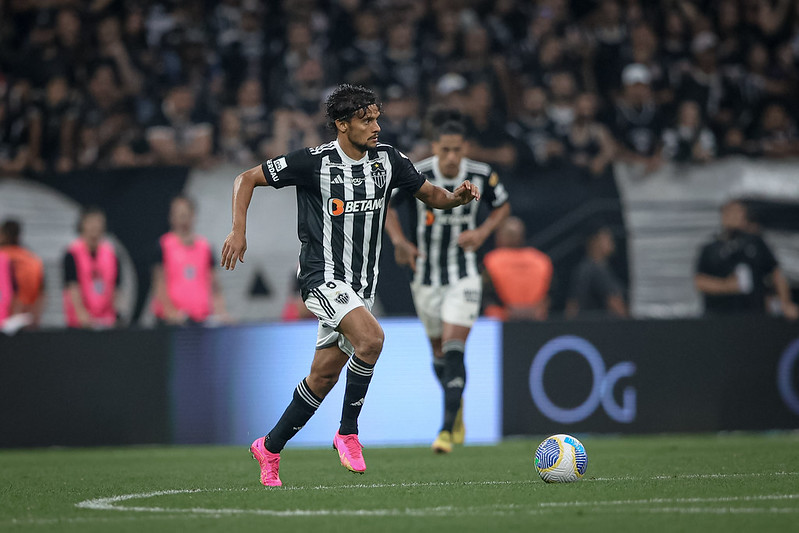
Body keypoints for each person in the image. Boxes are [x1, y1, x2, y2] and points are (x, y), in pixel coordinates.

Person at [220, 84, 480, 487]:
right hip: (321, 278)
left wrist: (457, 198)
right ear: (342, 125)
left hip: (361, 288)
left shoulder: (388, 160)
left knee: (322, 378)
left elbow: (431, 194)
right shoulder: (313, 162)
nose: (376, 127)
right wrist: (239, 230)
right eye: (366, 120)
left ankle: (268, 448)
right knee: (372, 339)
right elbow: (246, 178)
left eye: (377, 118)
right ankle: (348, 432)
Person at [384, 119, 509, 454]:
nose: (452, 157)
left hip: (464, 274)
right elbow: (388, 208)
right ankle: (457, 405)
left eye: (457, 149)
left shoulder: (481, 174)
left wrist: (482, 233)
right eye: (445, 150)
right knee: (439, 355)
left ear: (465, 148)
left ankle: (445, 429)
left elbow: (503, 205)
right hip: (425, 277)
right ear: (435, 148)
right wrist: (399, 241)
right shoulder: (417, 173)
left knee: (454, 349)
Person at [694, 200, 798, 319]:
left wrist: (785, 303)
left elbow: (776, 273)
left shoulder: (756, 243)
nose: (734, 216)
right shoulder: (711, 249)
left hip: (754, 315)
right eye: (730, 212)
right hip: (719, 316)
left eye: (738, 212)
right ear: (723, 216)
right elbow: (700, 281)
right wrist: (726, 286)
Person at [151, 196, 229, 326]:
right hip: (171, 323)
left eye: (186, 214)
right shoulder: (163, 245)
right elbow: (159, 283)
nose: (183, 219)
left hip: (201, 320)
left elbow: (215, 286)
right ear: (171, 217)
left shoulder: (205, 247)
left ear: (193, 216)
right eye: (179, 214)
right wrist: (171, 313)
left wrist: (221, 312)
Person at [483, 217, 553, 321]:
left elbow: (486, 292)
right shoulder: (541, 260)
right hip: (535, 318)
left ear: (500, 237)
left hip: (500, 320)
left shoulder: (491, 260)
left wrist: (509, 310)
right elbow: (550, 292)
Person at [62, 207, 120, 329]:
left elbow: (115, 288)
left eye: (98, 222)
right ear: (82, 224)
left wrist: (113, 315)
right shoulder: (72, 254)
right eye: (90, 222)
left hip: (107, 321)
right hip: (79, 323)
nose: (95, 226)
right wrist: (82, 316)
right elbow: (72, 287)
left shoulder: (111, 253)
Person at [565, 225, 628, 318]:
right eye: (607, 237)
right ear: (594, 241)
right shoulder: (595, 270)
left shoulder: (583, 269)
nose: (612, 242)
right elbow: (616, 305)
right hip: (601, 325)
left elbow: (571, 308)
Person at [0, 220, 46, 328]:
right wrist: (34, 316)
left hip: (6, 319)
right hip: (28, 318)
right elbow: (42, 292)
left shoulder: (3, 258)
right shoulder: (33, 259)